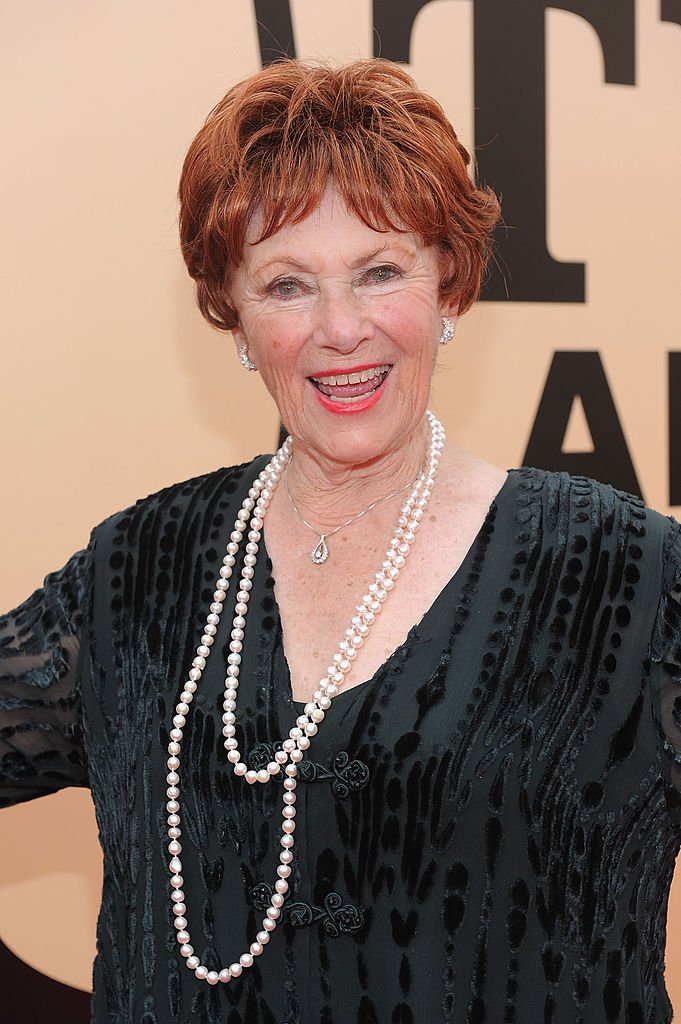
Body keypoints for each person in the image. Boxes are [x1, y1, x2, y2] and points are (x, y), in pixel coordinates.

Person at [1, 58, 680, 1024]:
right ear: (232, 314)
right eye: (286, 284)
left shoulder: (632, 578)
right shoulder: (137, 571)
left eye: (378, 272)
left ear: (448, 288)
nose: (340, 329)